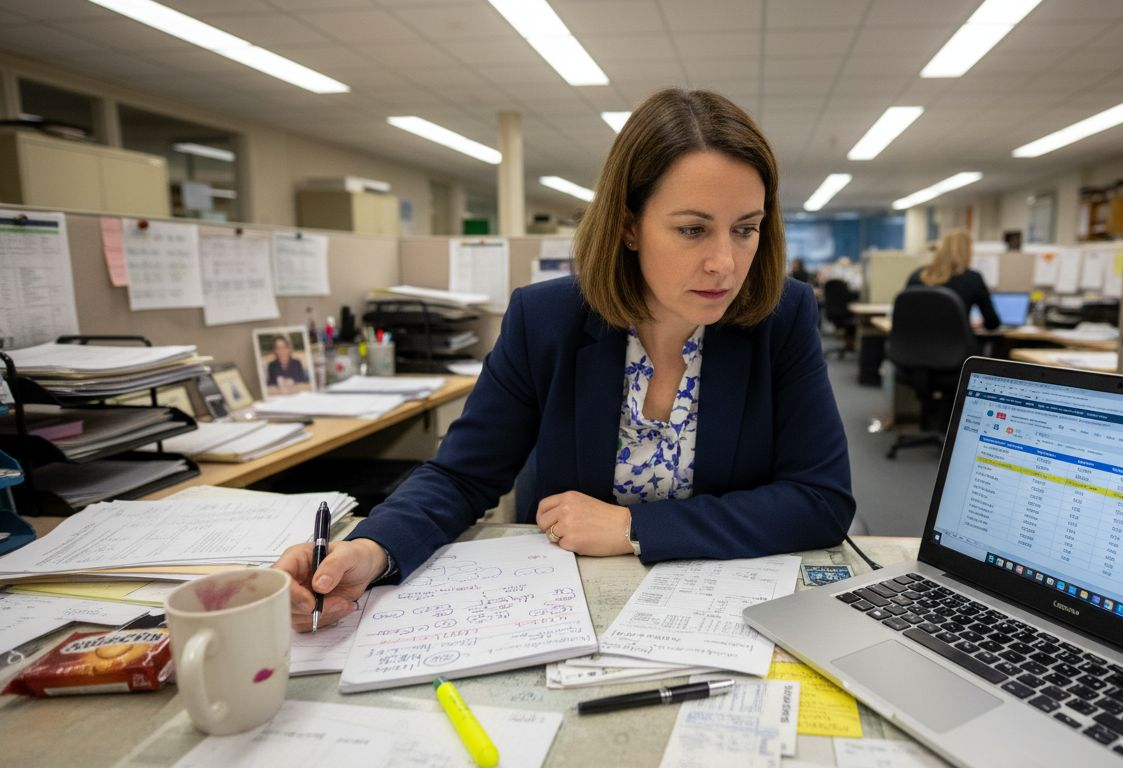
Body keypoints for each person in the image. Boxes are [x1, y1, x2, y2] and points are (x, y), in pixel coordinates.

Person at [276, 88, 856, 632]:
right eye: (692, 230)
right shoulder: (547, 319)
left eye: (745, 230)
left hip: (721, 612)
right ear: (629, 226)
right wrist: (372, 551)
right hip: (560, 611)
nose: (725, 263)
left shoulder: (781, 318)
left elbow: (821, 500)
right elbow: (461, 475)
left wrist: (633, 529)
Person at [905, 229, 1000, 330]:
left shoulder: (918, 275)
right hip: (956, 343)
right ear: (968, 252)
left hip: (914, 343)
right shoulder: (973, 279)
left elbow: (903, 315)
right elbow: (992, 322)